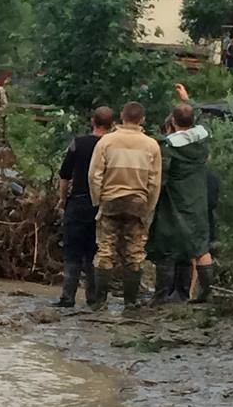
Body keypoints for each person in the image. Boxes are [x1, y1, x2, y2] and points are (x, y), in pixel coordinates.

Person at [88, 102, 163, 311]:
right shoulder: (152, 146)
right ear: (142, 119)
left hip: (111, 201)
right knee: (135, 254)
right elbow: (154, 181)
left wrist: (98, 200)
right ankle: (130, 302)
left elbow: (94, 175)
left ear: (121, 116)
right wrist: (149, 206)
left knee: (105, 251)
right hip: (137, 204)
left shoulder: (106, 142)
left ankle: (100, 302)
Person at [147, 102, 216, 305]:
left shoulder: (169, 146)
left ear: (173, 122)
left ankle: (161, 296)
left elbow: (160, 171)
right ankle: (198, 293)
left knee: (166, 244)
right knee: (199, 247)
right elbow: (203, 122)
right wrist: (190, 101)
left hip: (174, 200)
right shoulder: (202, 140)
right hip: (198, 200)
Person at [50, 107, 114, 308]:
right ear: (112, 124)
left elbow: (65, 175)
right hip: (103, 204)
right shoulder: (113, 145)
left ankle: (68, 296)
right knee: (95, 251)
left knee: (73, 249)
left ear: (93, 121)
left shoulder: (78, 142)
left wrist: (62, 199)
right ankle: (93, 299)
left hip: (78, 202)